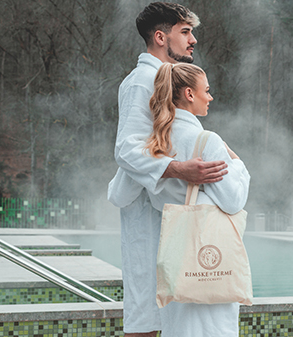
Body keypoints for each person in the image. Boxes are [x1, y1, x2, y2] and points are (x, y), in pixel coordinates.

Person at [106, 3, 227, 337]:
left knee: (172, 310)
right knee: (146, 312)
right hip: (146, 213)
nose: (193, 41)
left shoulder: (168, 78)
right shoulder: (141, 82)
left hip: (170, 209)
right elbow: (125, 149)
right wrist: (178, 169)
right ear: (161, 37)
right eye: (185, 32)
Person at [144, 62, 249, 336]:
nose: (210, 97)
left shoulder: (154, 141)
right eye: (207, 90)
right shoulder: (207, 141)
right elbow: (233, 200)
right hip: (208, 255)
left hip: (174, 255)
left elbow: (118, 192)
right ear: (190, 94)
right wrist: (238, 164)